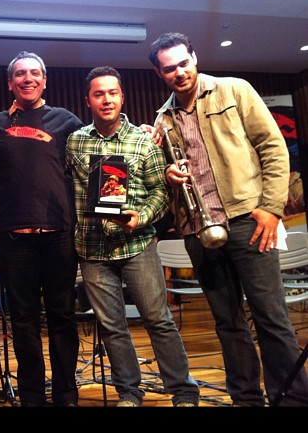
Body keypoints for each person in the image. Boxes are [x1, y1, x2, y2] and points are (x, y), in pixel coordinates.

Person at [148, 31, 308, 407]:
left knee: (271, 317)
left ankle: (293, 399)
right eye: (169, 69)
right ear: (159, 73)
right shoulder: (161, 118)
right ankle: (245, 398)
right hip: (198, 230)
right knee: (227, 322)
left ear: (194, 57)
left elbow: (273, 147)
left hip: (247, 220)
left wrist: (270, 208)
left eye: (183, 63)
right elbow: (163, 177)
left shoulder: (234, 89)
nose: (179, 72)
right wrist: (167, 173)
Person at [66, 66, 200, 407]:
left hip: (137, 244)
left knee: (158, 320)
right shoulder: (75, 141)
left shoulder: (144, 141)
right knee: (111, 326)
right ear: (88, 100)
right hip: (93, 250)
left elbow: (161, 193)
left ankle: (183, 390)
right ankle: (129, 393)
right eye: (99, 94)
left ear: (122, 97)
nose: (106, 99)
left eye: (112, 93)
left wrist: (141, 218)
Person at [0, 51, 81, 407]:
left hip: (59, 235)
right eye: (20, 74)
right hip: (15, 239)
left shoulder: (66, 121)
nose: (27, 79)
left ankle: (66, 393)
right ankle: (31, 394)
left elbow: (97, 150)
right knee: (23, 320)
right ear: (9, 83)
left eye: (34, 73)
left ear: (44, 80)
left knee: (63, 317)